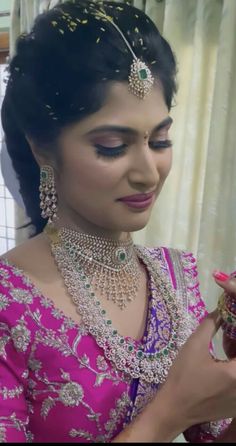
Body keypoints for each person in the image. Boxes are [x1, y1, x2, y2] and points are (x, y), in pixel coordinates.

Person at [0, 0, 236, 442]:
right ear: (42, 149)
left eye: (160, 139)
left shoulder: (175, 276)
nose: (149, 172)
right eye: (112, 145)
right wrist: (169, 414)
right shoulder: (8, 306)